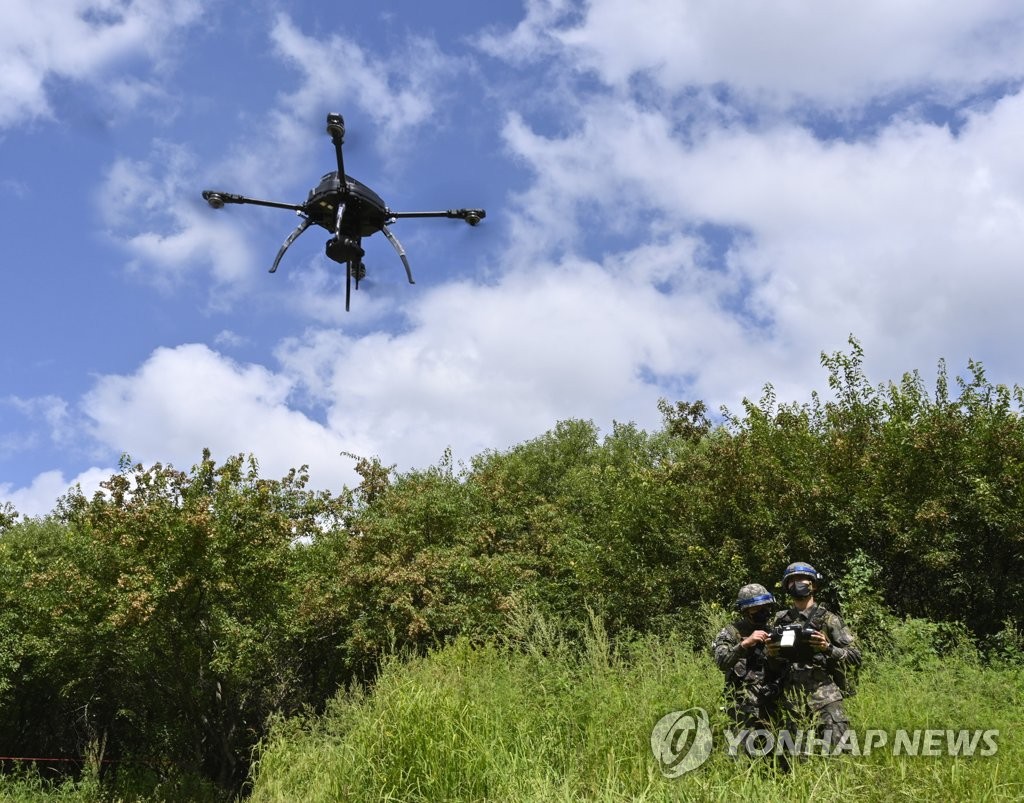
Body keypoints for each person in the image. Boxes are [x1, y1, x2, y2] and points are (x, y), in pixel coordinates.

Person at [768, 561, 861, 751]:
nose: (798, 583)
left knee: (840, 752)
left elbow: (855, 656)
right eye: (792, 581)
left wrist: (828, 648)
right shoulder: (780, 620)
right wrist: (771, 654)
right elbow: (771, 664)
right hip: (792, 700)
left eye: (802, 579)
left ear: (814, 584)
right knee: (797, 760)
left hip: (825, 696)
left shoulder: (829, 619)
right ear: (787, 587)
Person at [712, 583, 785, 749]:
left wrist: (774, 654)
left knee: (772, 753)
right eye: (756, 608)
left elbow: (783, 668)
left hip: (769, 704)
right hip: (740, 707)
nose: (762, 612)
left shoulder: (773, 632)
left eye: (765, 607)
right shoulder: (731, 632)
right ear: (745, 611)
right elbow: (722, 662)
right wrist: (744, 644)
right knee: (740, 753)